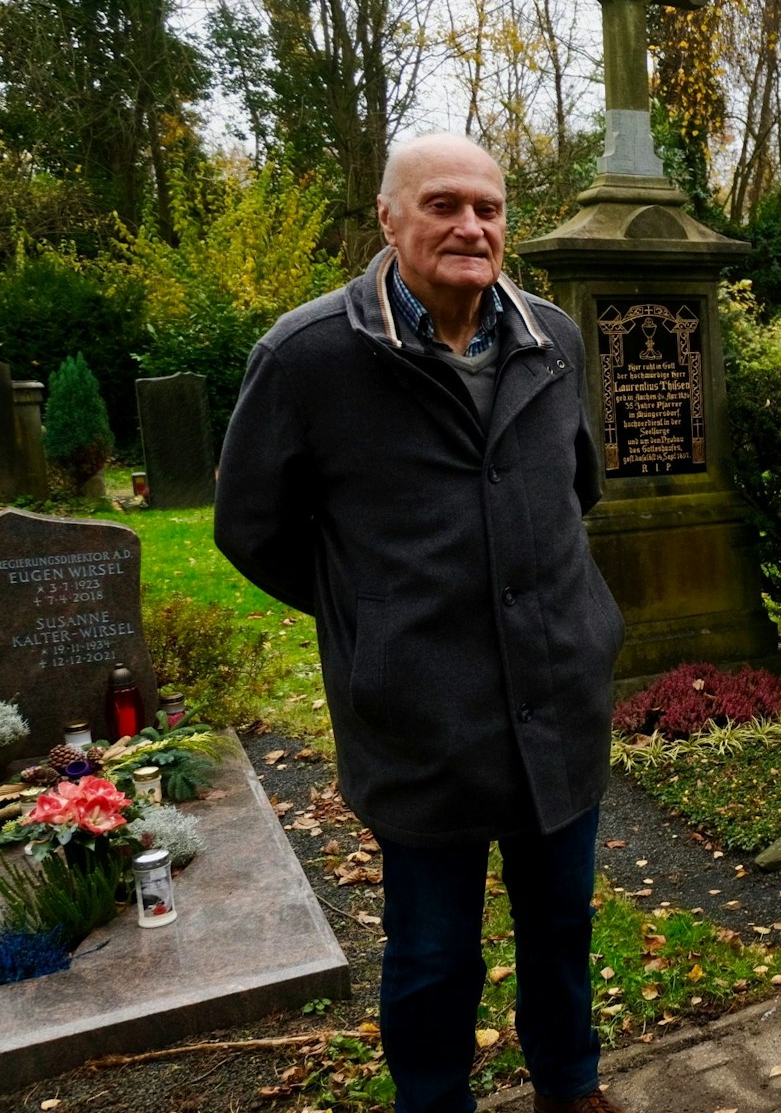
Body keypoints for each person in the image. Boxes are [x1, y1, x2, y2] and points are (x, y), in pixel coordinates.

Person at [215, 133, 626, 1113]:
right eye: (443, 204)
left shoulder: (552, 339)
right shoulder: (309, 357)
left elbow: (577, 486)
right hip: (422, 724)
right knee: (434, 954)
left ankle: (570, 1086)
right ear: (388, 217)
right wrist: (380, 624)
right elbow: (251, 528)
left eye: (488, 208)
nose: (470, 226)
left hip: (557, 702)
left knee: (560, 925)